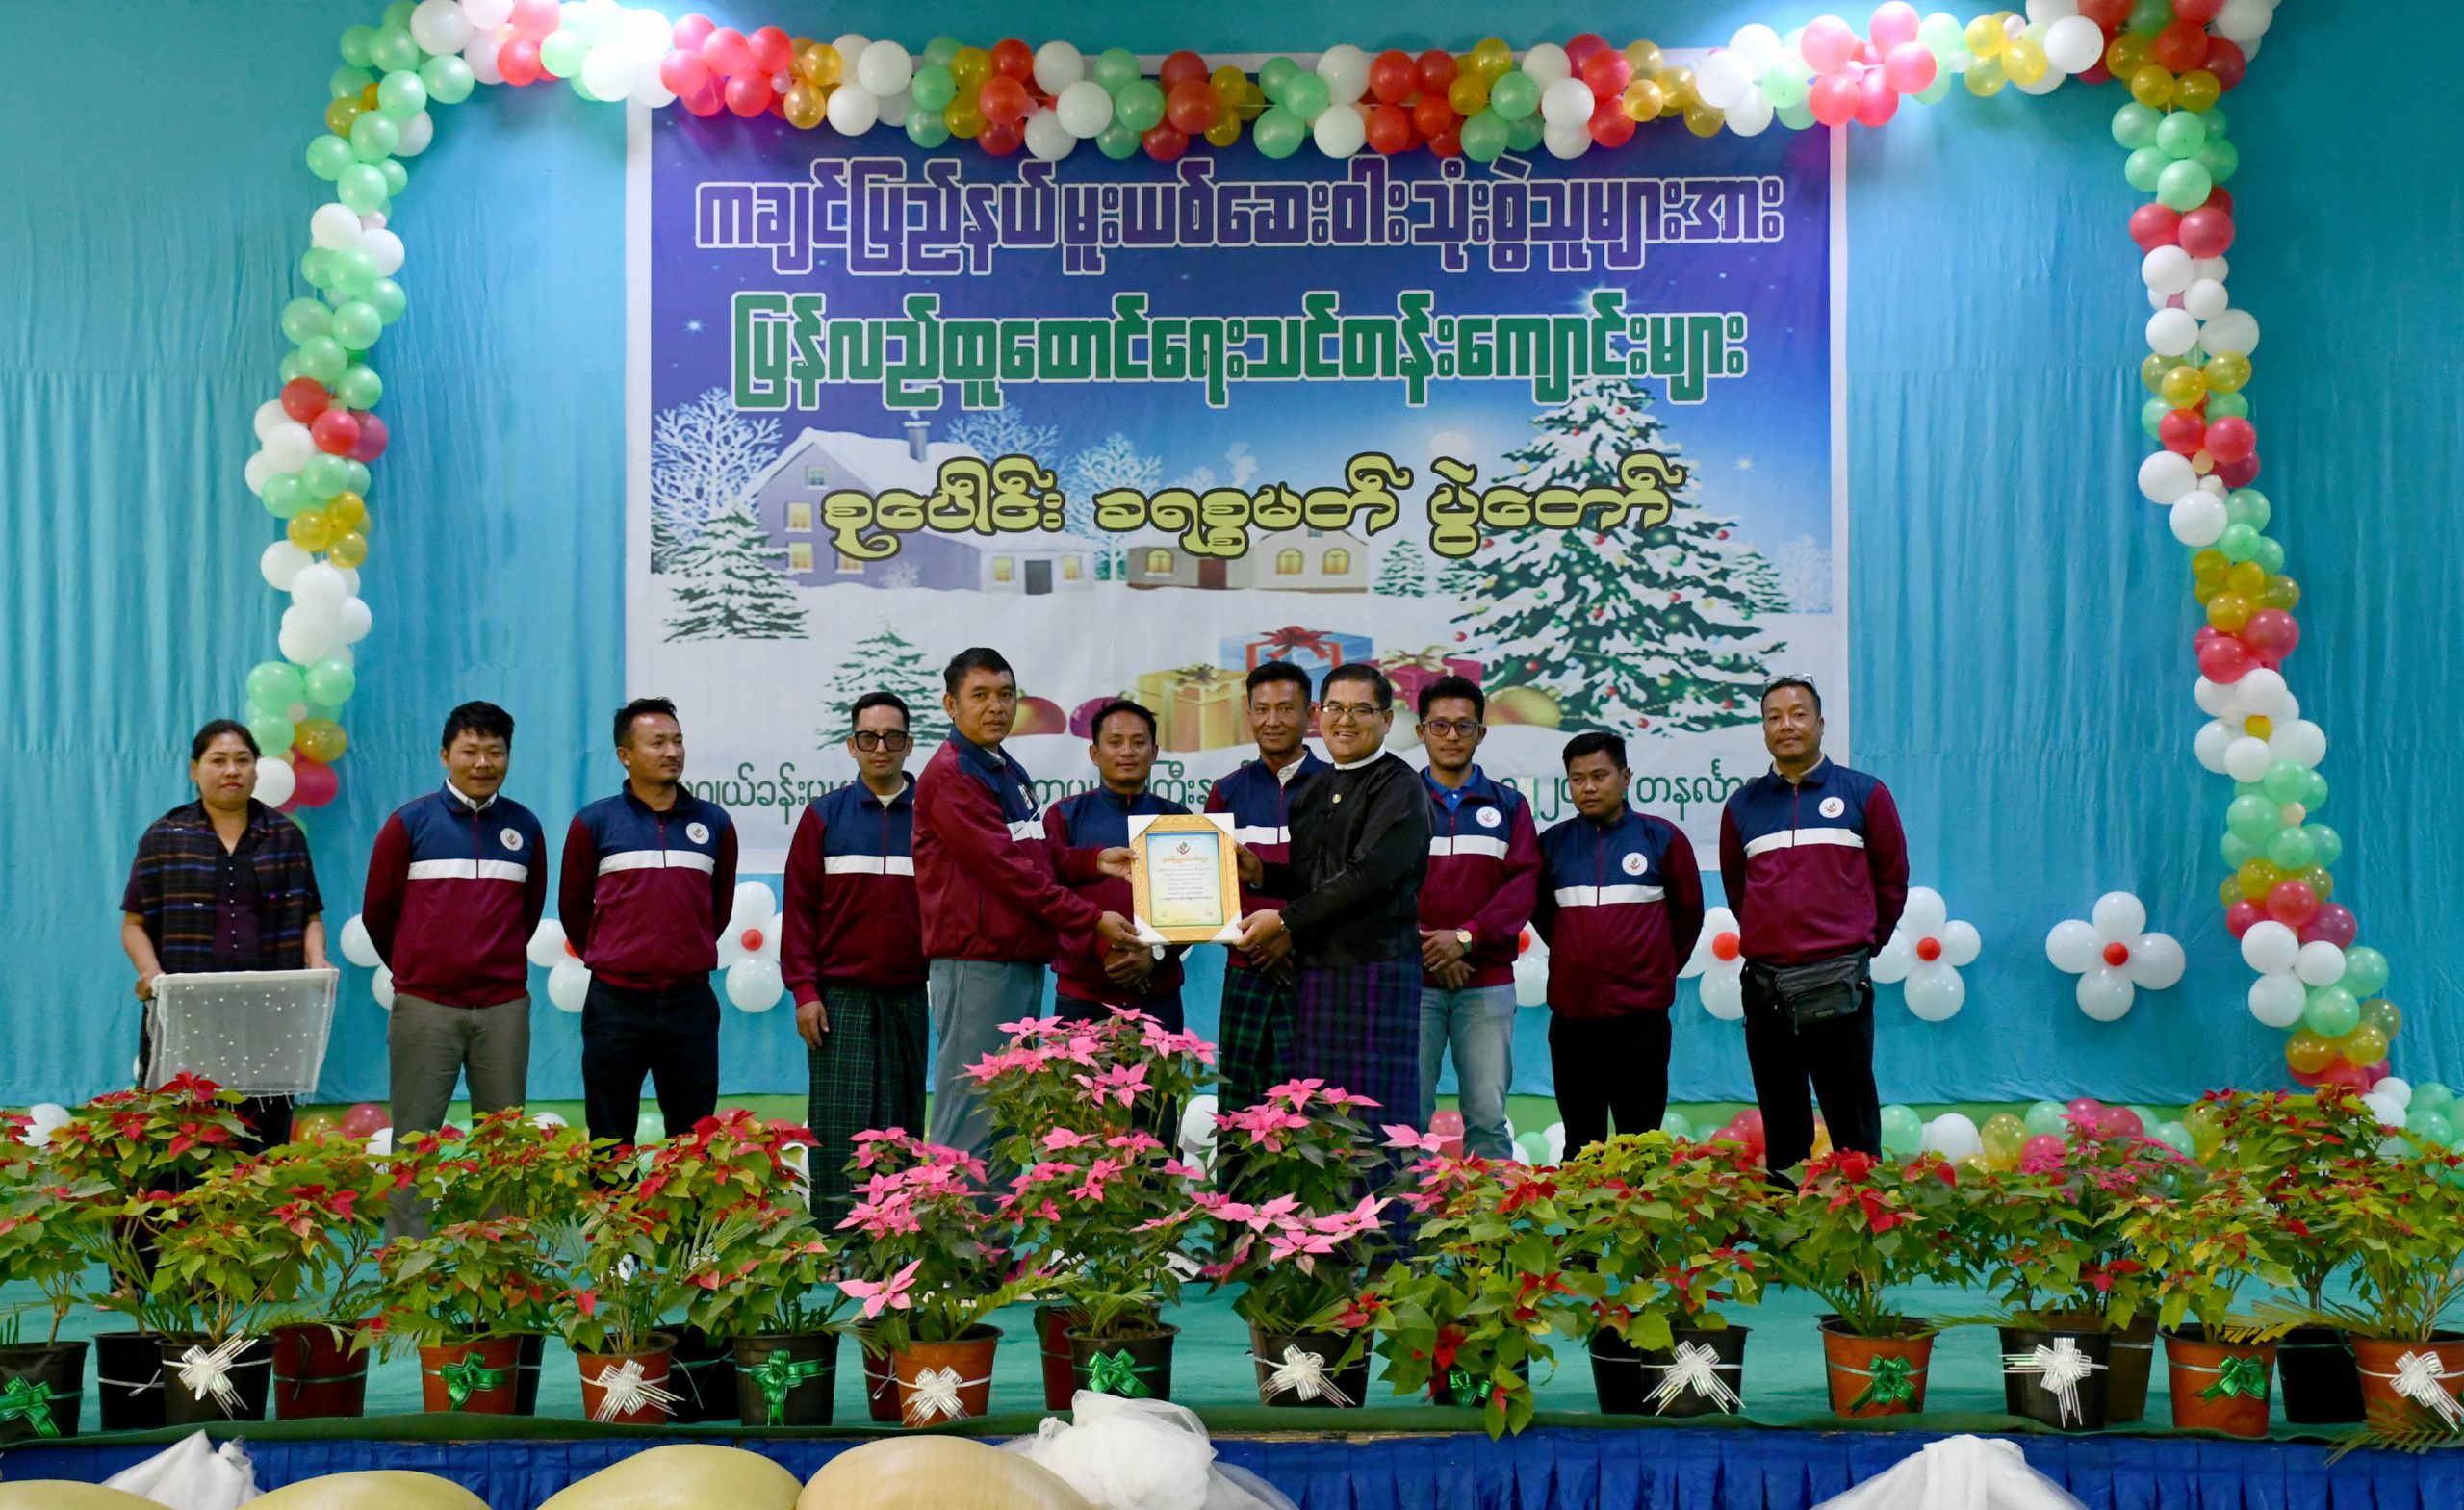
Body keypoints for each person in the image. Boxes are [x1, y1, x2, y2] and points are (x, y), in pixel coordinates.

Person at [913, 648, 1139, 1162]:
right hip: (978, 966)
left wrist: (1093, 861)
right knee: (972, 1115)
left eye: (1005, 694)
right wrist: (1092, 919)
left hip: (1015, 961)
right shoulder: (952, 774)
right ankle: (957, 1217)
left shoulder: (1002, 767)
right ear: (950, 704)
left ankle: (991, 1219)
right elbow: (1008, 873)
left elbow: (1032, 854)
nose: (996, 706)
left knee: (1005, 1113)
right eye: (980, 695)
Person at [363, 701, 548, 1238]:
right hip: (426, 1007)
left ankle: (502, 1261)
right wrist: (419, 972)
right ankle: (406, 1265)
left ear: (508, 756)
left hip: (503, 1007)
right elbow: (378, 911)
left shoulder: (524, 827)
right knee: (414, 1144)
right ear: (445, 755)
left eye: (495, 751)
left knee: (503, 1144)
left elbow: (528, 912)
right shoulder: (409, 824)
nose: (482, 763)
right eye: (470, 751)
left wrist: (493, 965)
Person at [1719, 677, 1908, 1178]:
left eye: (1799, 714)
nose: (1787, 725)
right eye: (1774, 716)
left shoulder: (1864, 793)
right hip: (1766, 989)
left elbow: (1892, 879)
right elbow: (1739, 891)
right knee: (1784, 1129)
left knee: (1854, 1128)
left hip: (1839, 985)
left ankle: (1859, 1220)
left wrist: (1862, 946)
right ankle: (1788, 1224)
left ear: (1821, 723)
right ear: (1764, 729)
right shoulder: (1742, 806)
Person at [1237, 664, 1431, 1147]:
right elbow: (1315, 878)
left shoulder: (1399, 786)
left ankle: (1387, 1204)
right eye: (1335, 708)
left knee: (1376, 1122)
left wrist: (1284, 921)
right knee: (1320, 1118)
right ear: (1318, 715)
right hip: (1316, 974)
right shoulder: (1313, 791)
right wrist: (1262, 874)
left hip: (1376, 971)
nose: (1346, 720)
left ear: (1387, 720)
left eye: (1361, 709)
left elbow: (1367, 877)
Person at [120, 719, 329, 1148]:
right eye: (218, 761)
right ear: (194, 769)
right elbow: (135, 923)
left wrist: (317, 961)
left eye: (242, 760)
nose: (231, 770)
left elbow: (309, 914)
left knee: (263, 1139)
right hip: (186, 1014)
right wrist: (150, 972)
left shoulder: (284, 836)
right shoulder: (165, 837)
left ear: (256, 768)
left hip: (269, 1014)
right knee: (181, 1140)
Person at [560, 697, 737, 1146]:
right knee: (610, 1138)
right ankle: (613, 1199)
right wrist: (617, 956)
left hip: (690, 1003)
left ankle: (687, 1200)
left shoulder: (715, 823)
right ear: (625, 755)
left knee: (693, 1140)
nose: (672, 752)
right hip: (615, 1004)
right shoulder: (594, 823)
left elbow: (717, 910)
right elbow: (573, 909)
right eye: (657, 743)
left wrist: (682, 952)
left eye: (677, 741)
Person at [782, 690, 928, 1221]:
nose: (880, 747)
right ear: (851, 745)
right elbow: (799, 911)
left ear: (909, 744)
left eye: (892, 737)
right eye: (869, 738)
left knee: (900, 1125)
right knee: (839, 1127)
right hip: (838, 998)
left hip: (909, 994)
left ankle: (898, 1237)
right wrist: (804, 991)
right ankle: (837, 1239)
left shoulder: (934, 817)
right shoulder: (823, 816)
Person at [1532, 732, 1705, 1153]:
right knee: (1581, 1144)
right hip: (1573, 1022)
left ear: (1625, 777)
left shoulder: (1661, 839)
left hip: (1641, 1021)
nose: (1588, 788)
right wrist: (1577, 958)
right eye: (1577, 779)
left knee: (1640, 1144)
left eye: (1599, 775)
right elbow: (1543, 916)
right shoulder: (1551, 845)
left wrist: (1656, 970)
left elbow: (1688, 917)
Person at [1412, 676, 1540, 1163]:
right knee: (1407, 1122)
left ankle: (1492, 1215)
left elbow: (1523, 886)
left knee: (1487, 1119)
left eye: (1463, 726)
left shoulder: (1509, 806)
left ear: (1481, 733)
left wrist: (1466, 938)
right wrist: (1430, 947)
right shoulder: (1397, 802)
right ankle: (1405, 1215)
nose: (1451, 736)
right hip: (1412, 983)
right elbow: (1377, 886)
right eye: (1439, 725)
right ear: (1421, 731)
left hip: (1485, 983)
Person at [1202, 662, 1326, 1120]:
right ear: (1249, 714)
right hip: (1246, 967)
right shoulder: (1227, 792)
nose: (1273, 720)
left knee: (1308, 1114)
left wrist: (1292, 934)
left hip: (1312, 970)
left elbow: (1343, 882)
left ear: (1311, 715)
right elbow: (1211, 888)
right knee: (1239, 1111)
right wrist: (1254, 943)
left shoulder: (1336, 788)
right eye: (1262, 709)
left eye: (1286, 709)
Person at [1043, 701, 1190, 1030]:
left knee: (1160, 1071)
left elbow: (1194, 908)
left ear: (1154, 752)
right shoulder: (1064, 816)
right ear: (1095, 753)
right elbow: (1048, 901)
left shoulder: (1178, 819)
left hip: (1158, 995)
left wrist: (1155, 954)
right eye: (1115, 742)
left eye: (1138, 742)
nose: (1127, 752)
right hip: (1082, 995)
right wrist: (1102, 949)